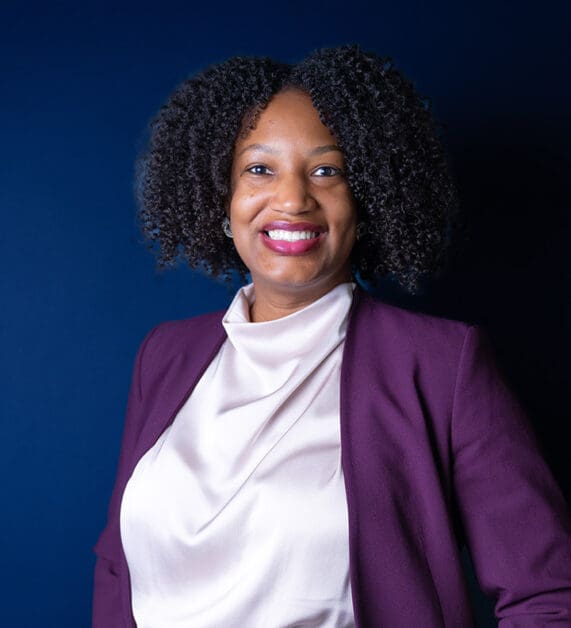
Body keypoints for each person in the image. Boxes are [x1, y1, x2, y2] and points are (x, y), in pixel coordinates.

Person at [93, 46, 571, 627]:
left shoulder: (442, 366)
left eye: (327, 170)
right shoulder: (166, 355)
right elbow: (118, 565)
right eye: (259, 169)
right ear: (222, 198)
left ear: (365, 199)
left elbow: (548, 596)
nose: (293, 199)